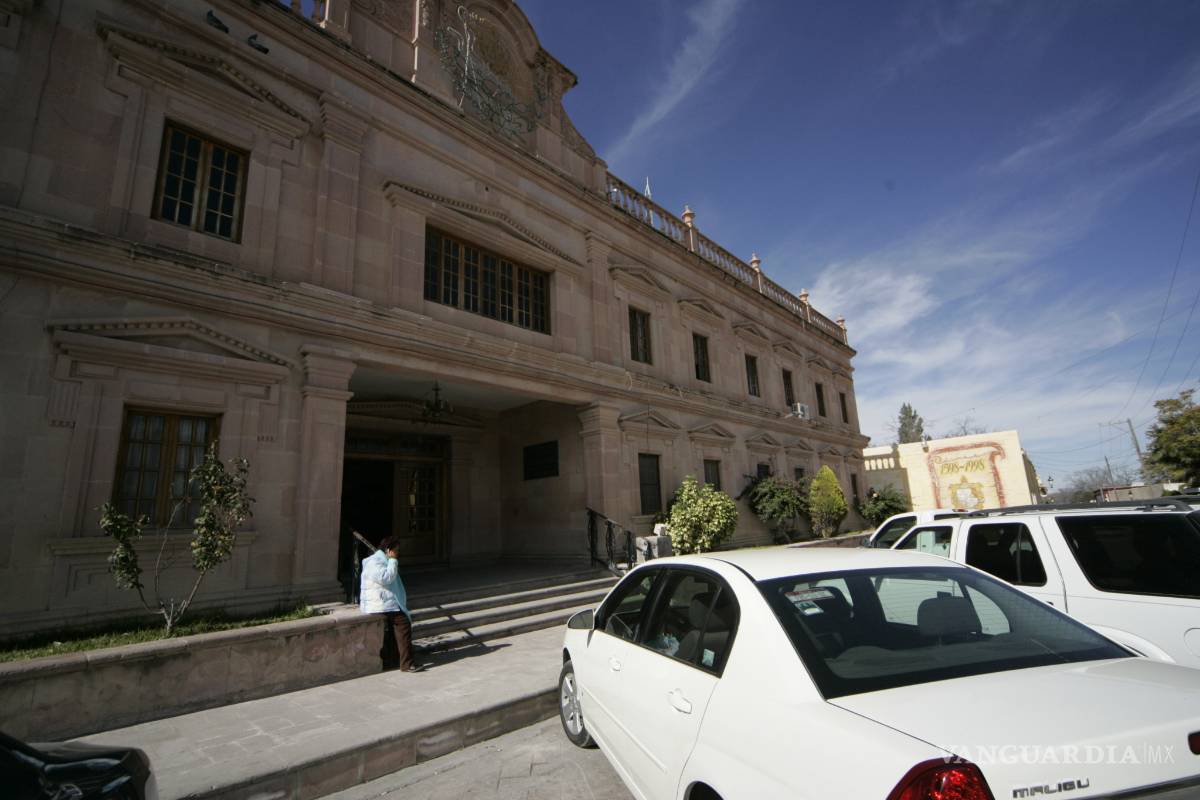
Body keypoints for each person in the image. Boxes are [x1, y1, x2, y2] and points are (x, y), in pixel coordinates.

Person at [359, 536, 423, 672]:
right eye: (396, 550)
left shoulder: (380, 560)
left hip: (383, 602)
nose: (397, 553)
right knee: (403, 624)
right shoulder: (375, 562)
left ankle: (396, 660)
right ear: (388, 550)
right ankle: (406, 664)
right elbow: (386, 578)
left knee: (396, 628)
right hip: (380, 603)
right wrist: (393, 560)